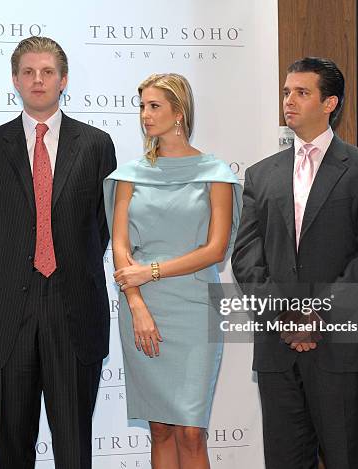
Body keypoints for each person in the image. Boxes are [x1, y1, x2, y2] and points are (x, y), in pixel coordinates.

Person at [232, 57, 358, 468]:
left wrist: (314, 315)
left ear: (330, 103)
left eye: (302, 93)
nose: (289, 100)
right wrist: (286, 317)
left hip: (337, 344)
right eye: (287, 92)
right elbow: (246, 256)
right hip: (276, 345)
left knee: (342, 458)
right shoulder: (260, 174)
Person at [0, 36, 116, 469]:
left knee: (74, 449)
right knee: (13, 449)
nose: (38, 80)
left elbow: (102, 227)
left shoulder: (96, 145)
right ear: (14, 80)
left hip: (74, 308)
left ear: (63, 80)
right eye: (28, 72)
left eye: (47, 72)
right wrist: (22, 265)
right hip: (7, 311)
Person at [103, 73, 241, 469]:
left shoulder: (215, 174)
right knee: (160, 429)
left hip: (196, 308)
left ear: (178, 112)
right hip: (142, 310)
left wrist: (152, 272)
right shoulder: (128, 176)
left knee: (191, 432)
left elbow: (214, 251)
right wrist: (137, 305)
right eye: (142, 106)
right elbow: (121, 248)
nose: (145, 115)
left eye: (154, 106)